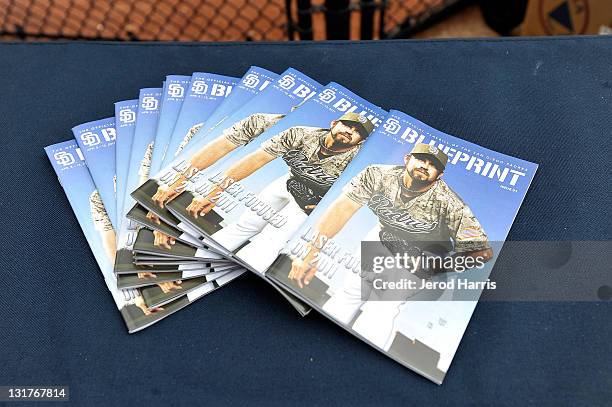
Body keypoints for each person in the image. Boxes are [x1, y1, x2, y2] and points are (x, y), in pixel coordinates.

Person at [288, 143, 493, 349]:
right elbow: (342, 209)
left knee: (382, 306)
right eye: (421, 159)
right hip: (382, 237)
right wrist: (310, 253)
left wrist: (435, 266)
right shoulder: (377, 174)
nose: (425, 165)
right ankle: (318, 345)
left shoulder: (450, 204)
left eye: (433, 165)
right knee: (351, 291)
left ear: (439, 175)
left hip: (422, 254)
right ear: (407, 158)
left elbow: (482, 252)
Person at [186, 112, 376, 272]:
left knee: (272, 240)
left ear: (362, 141)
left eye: (358, 131)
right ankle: (195, 264)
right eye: (348, 125)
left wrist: (322, 209)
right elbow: (258, 158)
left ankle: (229, 276)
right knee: (247, 223)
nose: (350, 131)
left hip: (315, 201)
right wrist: (216, 191)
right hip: (289, 181)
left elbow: (349, 202)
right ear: (334, 123)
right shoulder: (300, 134)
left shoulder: (357, 162)